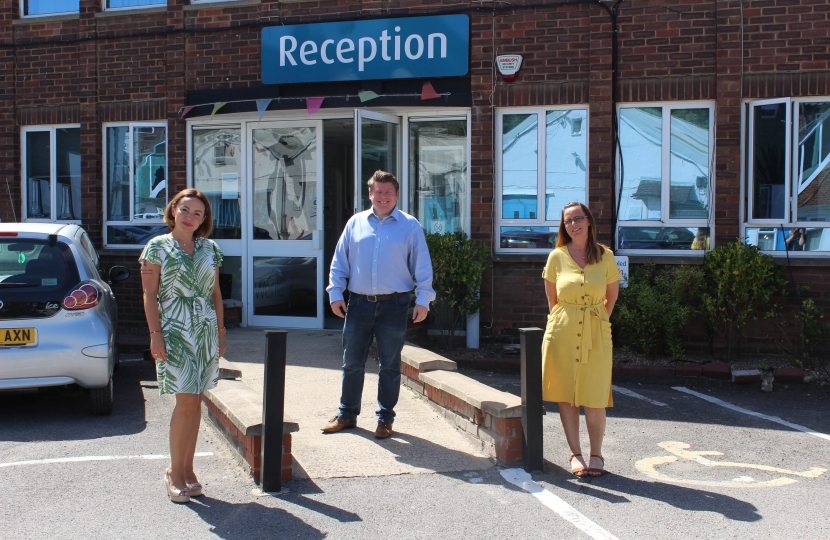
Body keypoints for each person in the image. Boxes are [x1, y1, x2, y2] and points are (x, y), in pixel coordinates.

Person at [323, 170, 435, 439]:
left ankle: (385, 419)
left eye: (388, 192)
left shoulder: (410, 226)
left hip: (394, 305)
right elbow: (340, 261)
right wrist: (335, 293)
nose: (383, 196)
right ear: (370, 194)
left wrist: (423, 300)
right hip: (358, 304)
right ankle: (346, 415)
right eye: (378, 191)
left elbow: (422, 266)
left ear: (396, 195)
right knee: (351, 362)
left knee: (389, 364)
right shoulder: (355, 223)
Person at [139, 188, 225, 503]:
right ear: (174, 209)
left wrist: (221, 330)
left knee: (196, 401)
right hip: (174, 329)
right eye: (185, 210)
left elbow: (215, 293)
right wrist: (155, 334)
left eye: (197, 213)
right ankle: (174, 474)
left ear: (204, 220)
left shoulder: (209, 249)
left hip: (204, 330)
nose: (190, 217)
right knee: (185, 402)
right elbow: (149, 295)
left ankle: (188, 470)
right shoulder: (156, 248)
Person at [542, 202, 621, 477]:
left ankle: (596, 454)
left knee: (595, 395)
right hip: (562, 331)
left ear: (588, 221)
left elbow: (612, 296)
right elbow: (553, 301)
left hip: (596, 330)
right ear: (564, 227)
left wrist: (598, 320)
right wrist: (566, 321)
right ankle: (575, 453)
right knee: (568, 396)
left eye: (578, 218)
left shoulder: (606, 257)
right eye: (567, 221)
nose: (573, 224)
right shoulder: (556, 257)